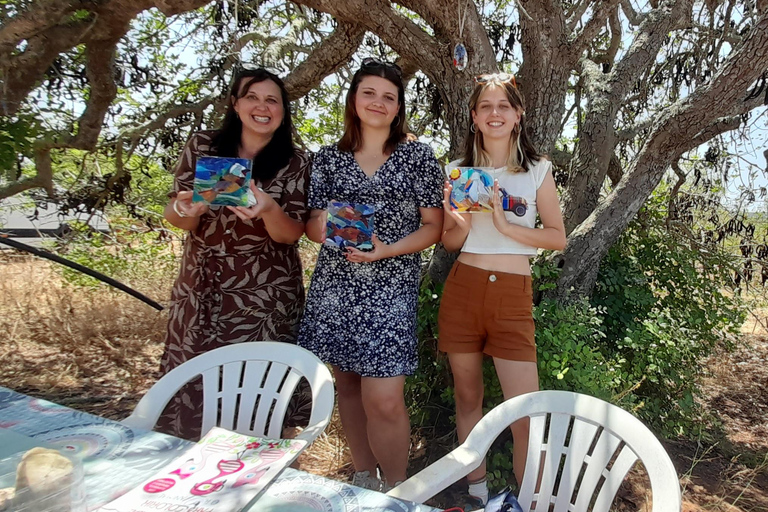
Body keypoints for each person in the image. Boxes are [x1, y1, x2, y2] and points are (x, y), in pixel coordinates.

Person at [298, 58, 444, 490]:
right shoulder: (328, 158)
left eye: (389, 96)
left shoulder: (417, 156)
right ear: (353, 99)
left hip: (391, 288)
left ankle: (396, 489)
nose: (378, 102)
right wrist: (322, 226)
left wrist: (387, 250)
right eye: (369, 93)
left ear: (399, 107)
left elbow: (433, 227)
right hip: (335, 288)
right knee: (348, 388)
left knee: (383, 398)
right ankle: (363, 478)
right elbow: (310, 225)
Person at [159, 67, 311, 440]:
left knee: (259, 397)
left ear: (283, 110)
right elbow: (175, 216)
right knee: (192, 388)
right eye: (252, 97)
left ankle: (255, 475)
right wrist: (186, 211)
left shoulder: (297, 162)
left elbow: (293, 234)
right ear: (235, 103)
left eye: (272, 100)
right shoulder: (204, 146)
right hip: (202, 291)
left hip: (264, 299)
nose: (262, 107)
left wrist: (269, 210)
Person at [438, 73, 566, 506]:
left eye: (503, 107)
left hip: (512, 293)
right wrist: (452, 217)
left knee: (525, 409)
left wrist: (508, 226)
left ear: (518, 115)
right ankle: (477, 493)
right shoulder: (460, 173)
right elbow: (452, 243)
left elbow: (557, 237)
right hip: (464, 288)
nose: (495, 114)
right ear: (474, 117)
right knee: (467, 395)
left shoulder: (537, 170)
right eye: (486, 107)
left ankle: (530, 499)